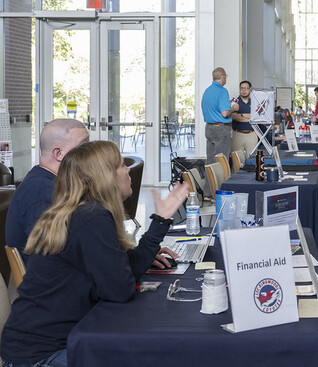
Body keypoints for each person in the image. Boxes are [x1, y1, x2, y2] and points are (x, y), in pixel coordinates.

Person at [0, 140, 190, 366]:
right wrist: (159, 222)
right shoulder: (92, 218)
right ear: (106, 177)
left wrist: (159, 224)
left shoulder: (83, 212)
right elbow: (121, 290)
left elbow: (118, 273)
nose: (128, 170)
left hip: (32, 345)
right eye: (121, 165)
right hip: (41, 355)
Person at [5, 118, 90, 264]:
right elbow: (50, 258)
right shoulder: (41, 191)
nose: (90, 154)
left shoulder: (50, 182)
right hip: (55, 284)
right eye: (83, 147)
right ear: (58, 154)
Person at [201, 67, 239, 164]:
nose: (226, 78)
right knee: (222, 161)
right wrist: (233, 109)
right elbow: (225, 113)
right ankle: (222, 180)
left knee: (210, 161)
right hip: (220, 129)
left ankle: (209, 180)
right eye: (225, 75)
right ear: (222, 76)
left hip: (209, 128)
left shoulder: (207, 91)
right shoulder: (222, 91)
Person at [230, 80, 258, 157]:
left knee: (252, 160)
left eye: (246, 88)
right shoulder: (234, 102)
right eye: (242, 88)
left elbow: (257, 117)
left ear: (250, 90)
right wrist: (250, 117)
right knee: (237, 161)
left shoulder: (254, 103)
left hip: (252, 134)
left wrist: (241, 115)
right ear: (239, 90)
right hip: (237, 135)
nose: (244, 90)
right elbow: (234, 117)